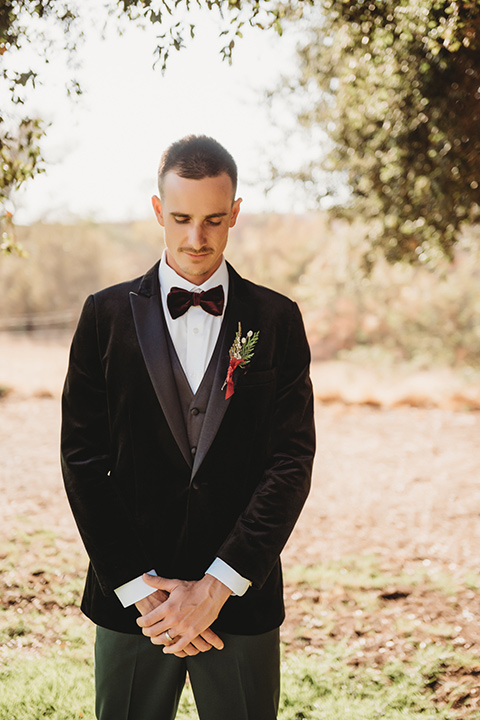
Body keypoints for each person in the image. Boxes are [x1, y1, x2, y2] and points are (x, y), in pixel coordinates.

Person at [61, 135, 316, 720]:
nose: (196, 238)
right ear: (157, 211)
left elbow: (290, 461)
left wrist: (218, 586)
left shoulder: (277, 319)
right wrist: (139, 589)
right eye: (180, 218)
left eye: (213, 220)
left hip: (240, 602)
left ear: (236, 214)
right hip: (133, 605)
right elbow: (81, 460)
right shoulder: (103, 316)